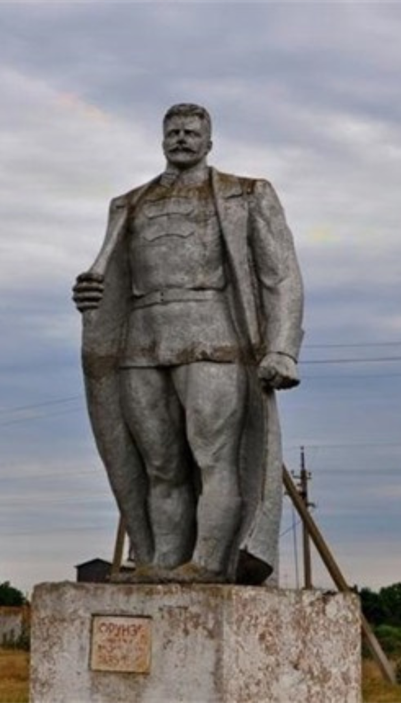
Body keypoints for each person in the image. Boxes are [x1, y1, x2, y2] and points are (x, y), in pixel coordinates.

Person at [73, 103, 304, 585]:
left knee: (213, 455)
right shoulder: (129, 204)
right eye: (173, 131)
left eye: (191, 132)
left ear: (209, 142)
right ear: (161, 140)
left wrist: (282, 347)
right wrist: (90, 297)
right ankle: (159, 563)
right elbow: (112, 280)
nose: (181, 138)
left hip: (213, 337)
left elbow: (280, 275)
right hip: (140, 338)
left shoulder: (245, 194)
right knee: (159, 464)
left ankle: (210, 563)